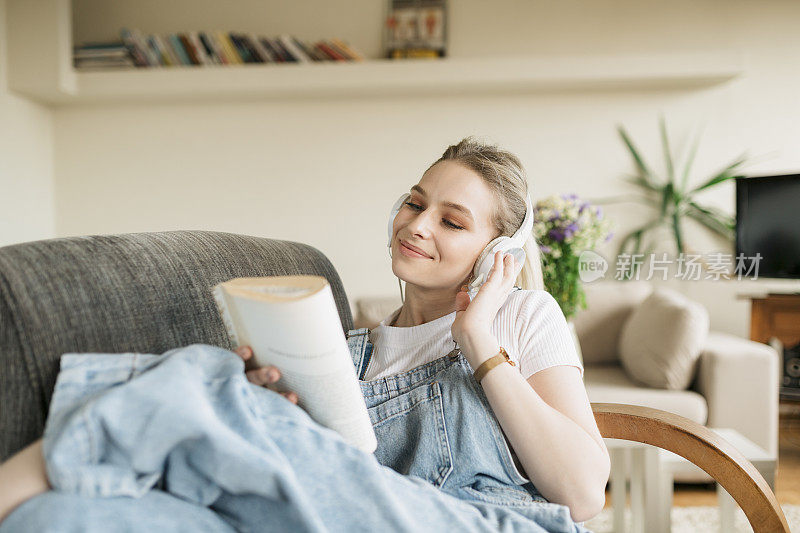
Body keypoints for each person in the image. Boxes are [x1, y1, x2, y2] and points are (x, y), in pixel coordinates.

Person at [0, 137, 608, 531]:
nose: (417, 226)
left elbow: (582, 494)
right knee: (58, 518)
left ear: (495, 252)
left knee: (205, 376)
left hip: (483, 522)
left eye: (451, 221)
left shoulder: (524, 319)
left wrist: (476, 338)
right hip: (335, 517)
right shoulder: (348, 349)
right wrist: (274, 406)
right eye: (414, 203)